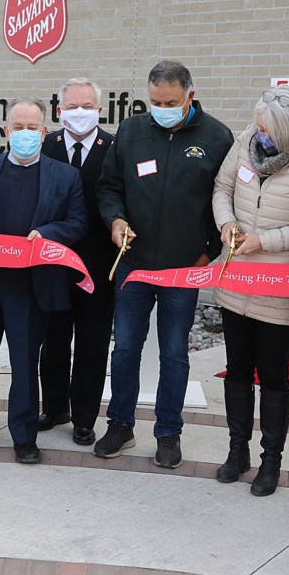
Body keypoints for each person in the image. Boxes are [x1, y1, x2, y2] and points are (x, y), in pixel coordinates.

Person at [95, 60, 233, 466]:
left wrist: (209, 251)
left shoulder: (217, 137)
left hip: (183, 267)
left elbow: (222, 198)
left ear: (189, 95)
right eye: (155, 101)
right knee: (124, 349)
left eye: (170, 101)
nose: (162, 108)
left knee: (174, 353)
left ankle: (168, 433)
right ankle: (120, 426)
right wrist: (115, 220)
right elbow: (109, 187)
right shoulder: (132, 131)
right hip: (133, 264)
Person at [0, 98, 87, 464]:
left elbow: (77, 223)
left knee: (25, 367)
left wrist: (48, 233)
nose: (24, 134)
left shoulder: (65, 176)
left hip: (30, 291)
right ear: (5, 131)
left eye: (32, 128)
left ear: (44, 133)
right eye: (17, 127)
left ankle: (24, 437)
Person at [211, 85, 289, 495]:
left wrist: (265, 241)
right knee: (237, 370)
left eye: (268, 129)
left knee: (274, 375)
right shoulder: (246, 141)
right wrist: (227, 224)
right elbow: (221, 189)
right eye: (259, 125)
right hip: (236, 277)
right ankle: (237, 451)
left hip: (280, 284)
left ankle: (270, 462)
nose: (260, 134)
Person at [37, 78, 115, 446]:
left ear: (100, 110)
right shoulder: (45, 146)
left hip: (98, 264)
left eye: (87, 106)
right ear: (59, 110)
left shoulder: (114, 148)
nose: (79, 113)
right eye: (72, 106)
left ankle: (84, 417)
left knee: (92, 342)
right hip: (52, 263)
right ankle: (54, 407)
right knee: (52, 339)